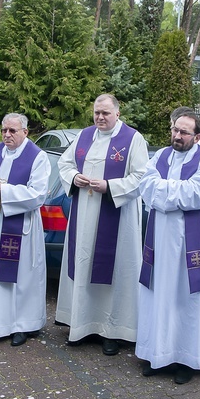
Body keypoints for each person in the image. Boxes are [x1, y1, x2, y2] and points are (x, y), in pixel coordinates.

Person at [55, 94, 148, 356]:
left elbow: (141, 176)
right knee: (83, 266)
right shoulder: (84, 136)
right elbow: (64, 164)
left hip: (116, 218)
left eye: (106, 113)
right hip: (84, 215)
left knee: (116, 273)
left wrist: (110, 187)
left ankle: (113, 331)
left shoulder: (133, 139)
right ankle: (81, 325)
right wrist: (74, 177)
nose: (100, 117)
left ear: (118, 113)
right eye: (97, 112)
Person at [137, 112, 200, 385]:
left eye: (184, 132)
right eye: (175, 129)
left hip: (191, 243)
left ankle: (187, 358)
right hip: (161, 242)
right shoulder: (161, 155)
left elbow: (198, 194)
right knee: (159, 294)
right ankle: (157, 354)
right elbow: (145, 185)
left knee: (187, 299)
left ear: (197, 137)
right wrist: (172, 190)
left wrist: (163, 191)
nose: (177, 136)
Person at [0, 113, 51, 346]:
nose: (7, 134)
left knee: (21, 278)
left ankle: (22, 325)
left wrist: (4, 190)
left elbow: (38, 193)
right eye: (4, 130)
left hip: (20, 228)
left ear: (25, 132)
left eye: (12, 131)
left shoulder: (37, 157)